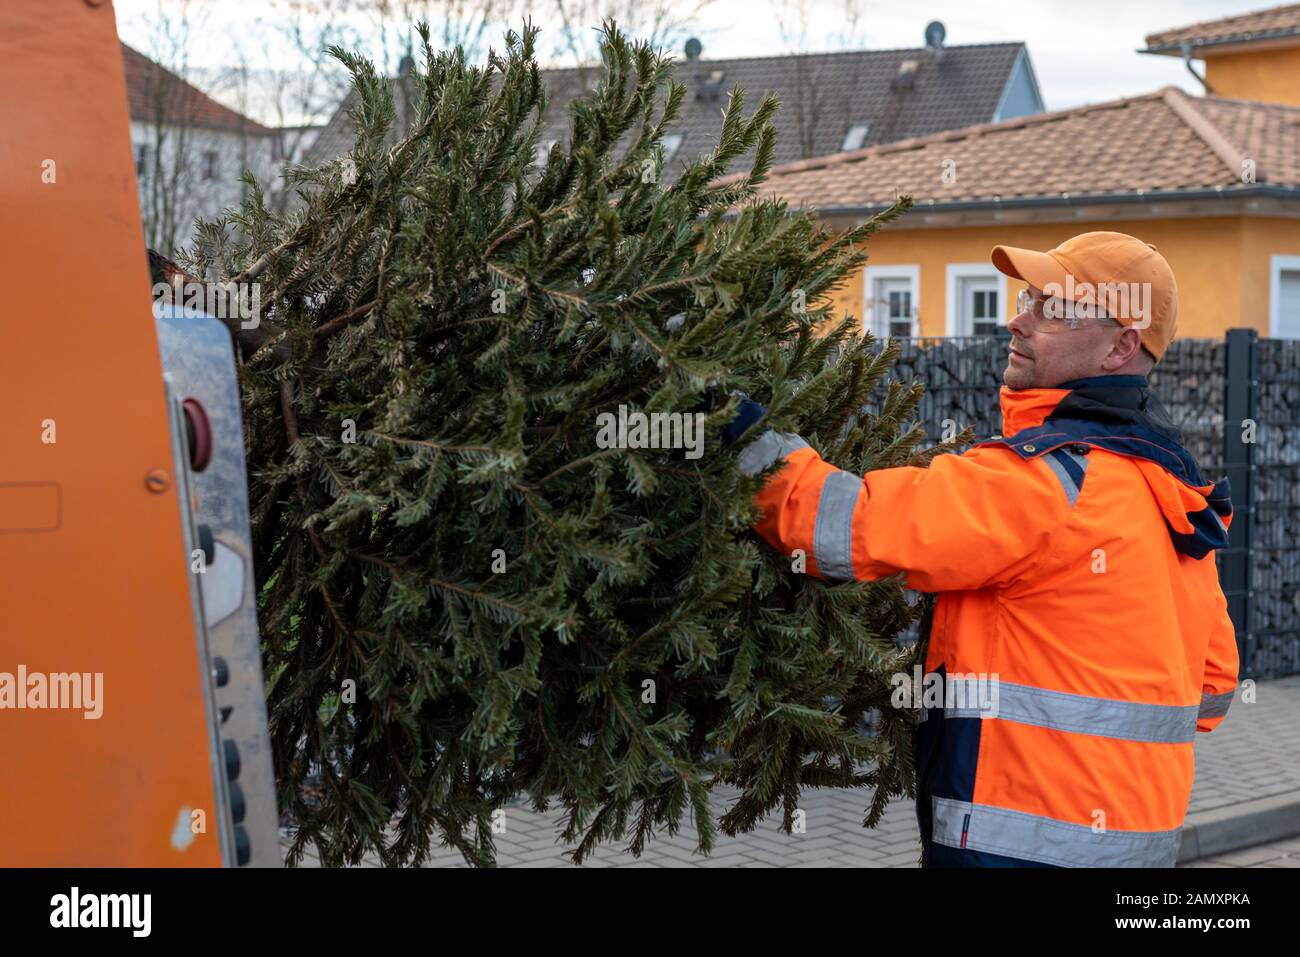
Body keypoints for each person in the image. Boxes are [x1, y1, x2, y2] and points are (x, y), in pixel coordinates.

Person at [732, 231, 1239, 867]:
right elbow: (1213, 692)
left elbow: (840, 524)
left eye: (1053, 309)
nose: (1018, 320)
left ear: (1120, 345)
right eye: (1029, 298)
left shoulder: (1046, 480)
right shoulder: (1175, 497)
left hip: (1014, 849)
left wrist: (732, 431)